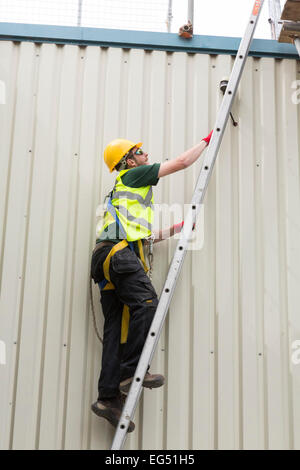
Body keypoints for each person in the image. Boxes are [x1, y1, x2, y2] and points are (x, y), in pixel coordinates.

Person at [90, 131, 213, 432]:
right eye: (140, 152)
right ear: (128, 161)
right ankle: (132, 372)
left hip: (107, 259)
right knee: (147, 303)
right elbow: (182, 162)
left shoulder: (121, 196)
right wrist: (207, 141)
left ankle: (107, 398)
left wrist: (178, 227)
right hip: (118, 256)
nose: (146, 155)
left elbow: (145, 238)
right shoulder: (134, 176)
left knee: (115, 329)